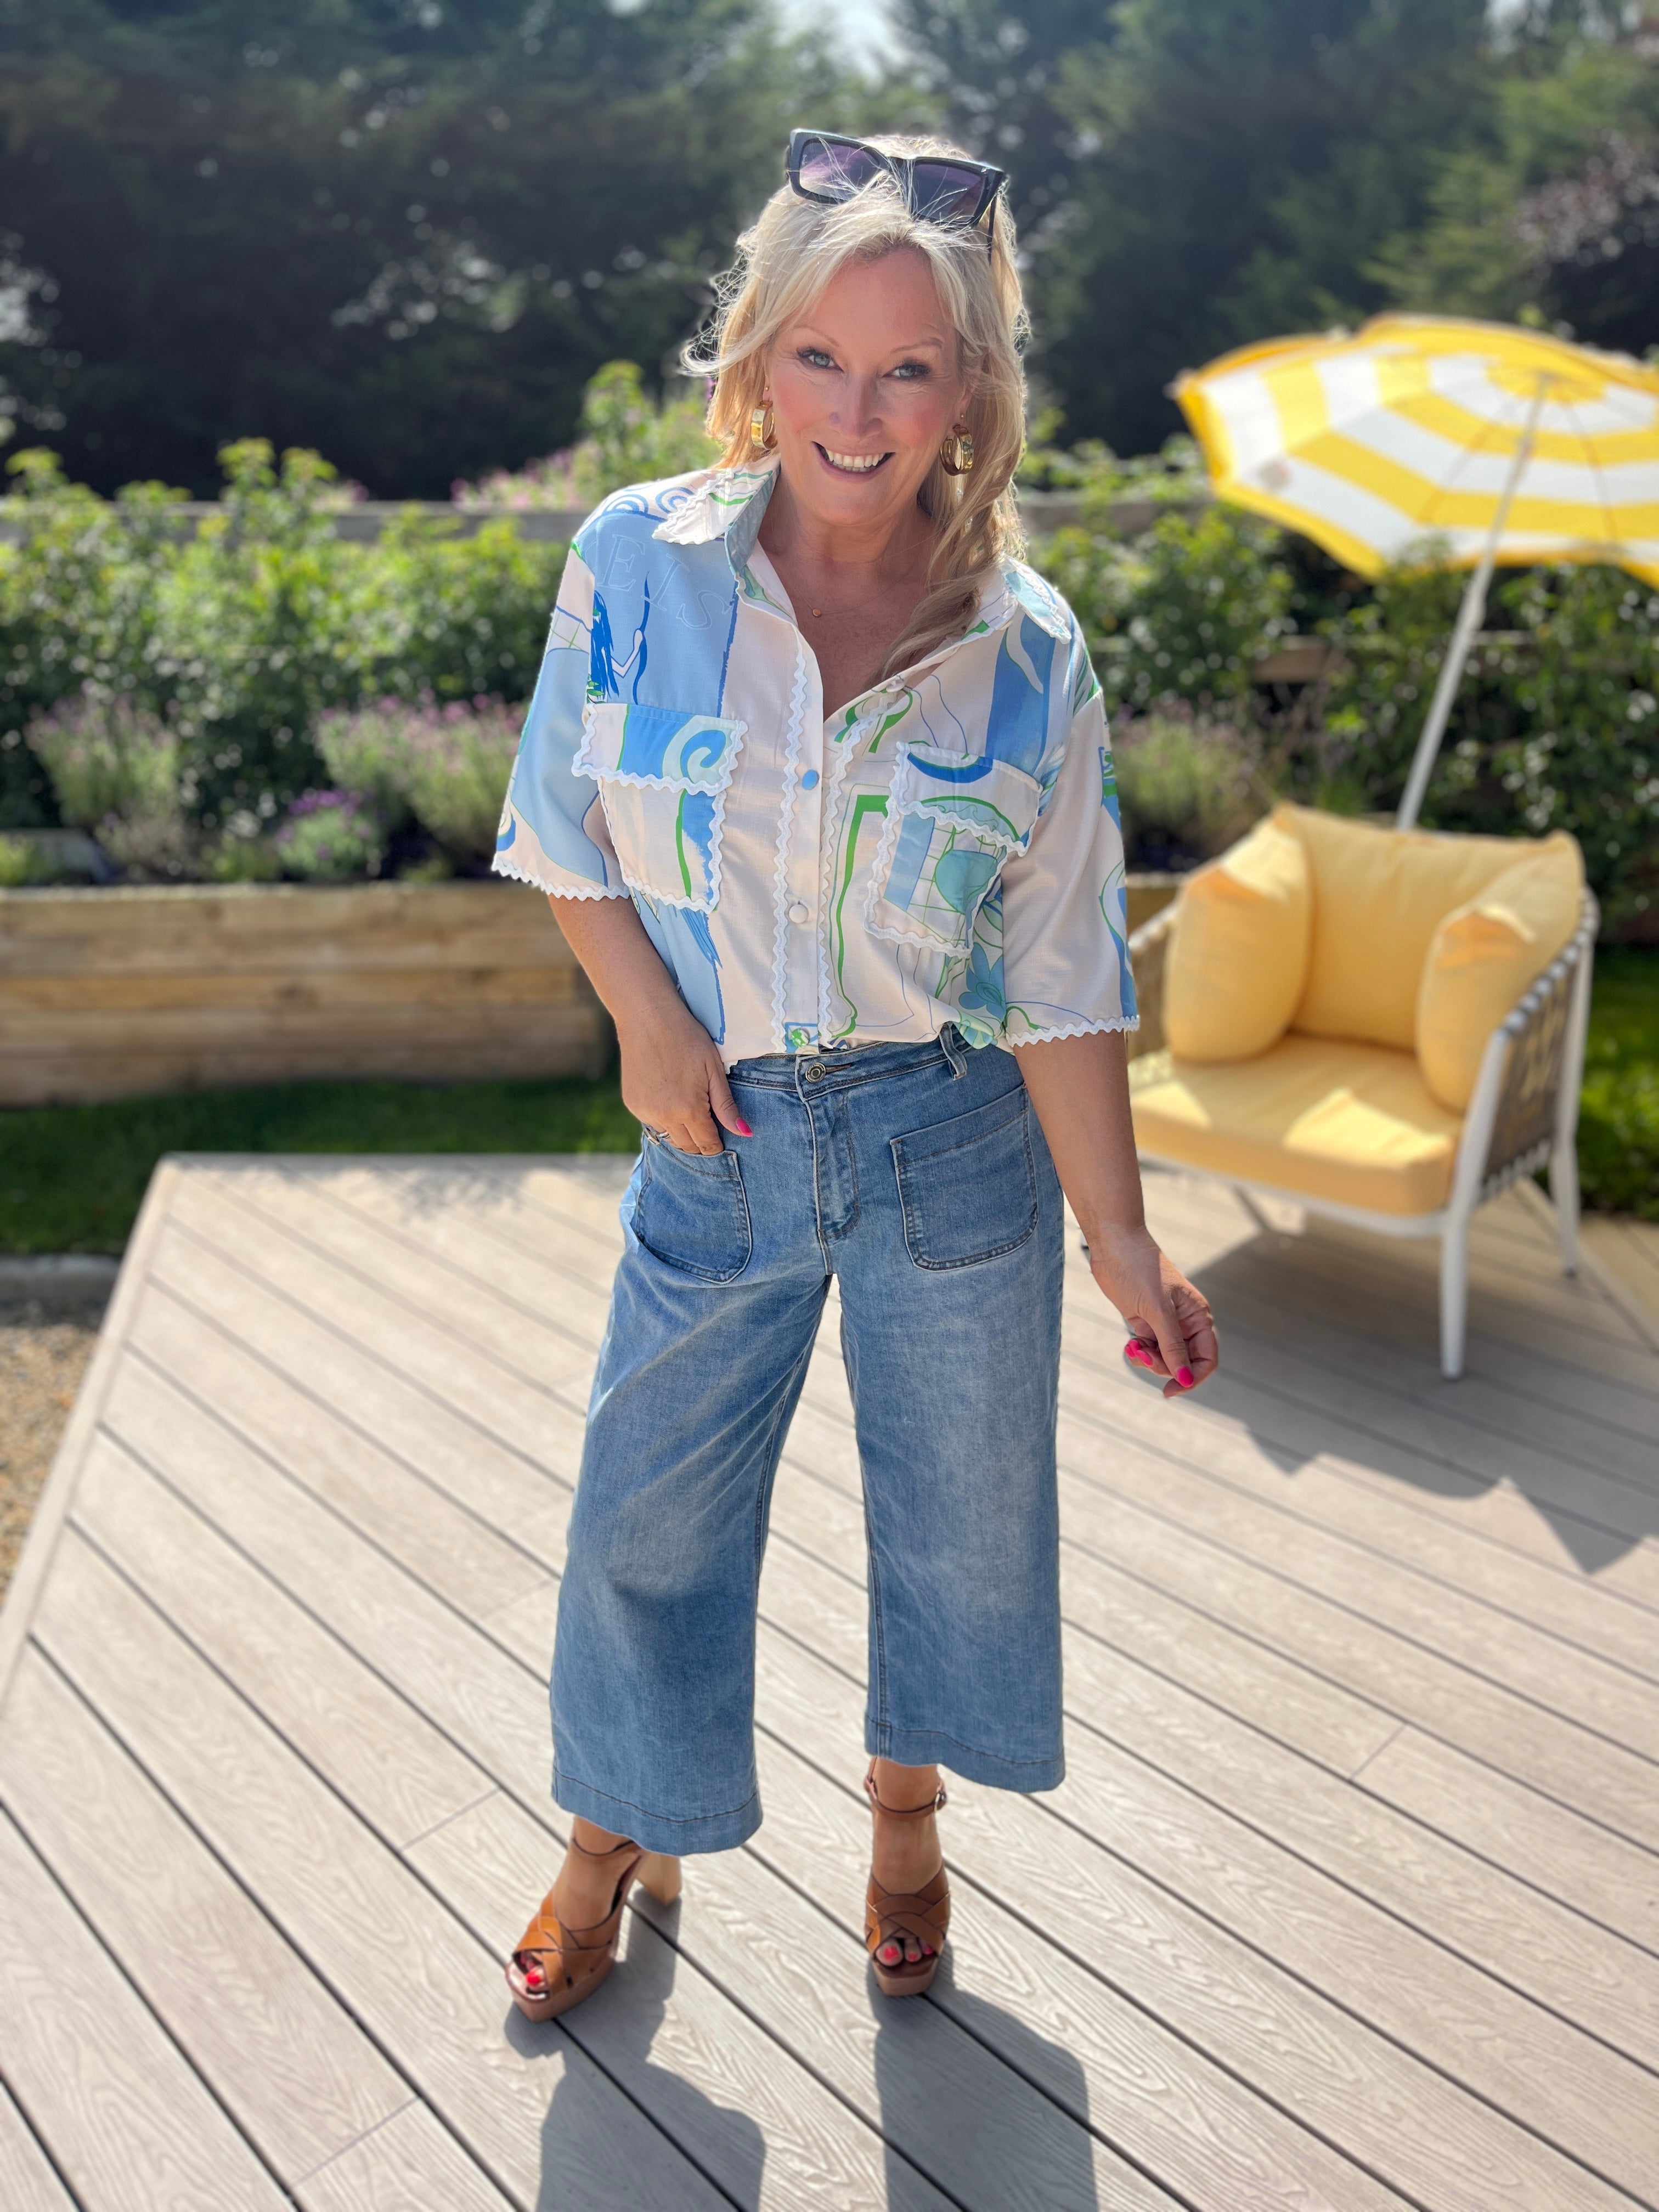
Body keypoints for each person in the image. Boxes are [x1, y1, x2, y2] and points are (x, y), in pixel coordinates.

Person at [494, 128, 1218, 2019]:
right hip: (716, 1131)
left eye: (909, 367)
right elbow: (562, 830)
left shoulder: (1028, 652)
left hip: (948, 1141)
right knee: (643, 1519)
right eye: (821, 355)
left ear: (970, 389)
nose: (859, 408)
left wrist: (1123, 1238)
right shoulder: (636, 566)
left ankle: (904, 1823)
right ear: (757, 358)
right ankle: (612, 1836)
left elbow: (1065, 973)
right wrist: (649, 1023)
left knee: (960, 1529)